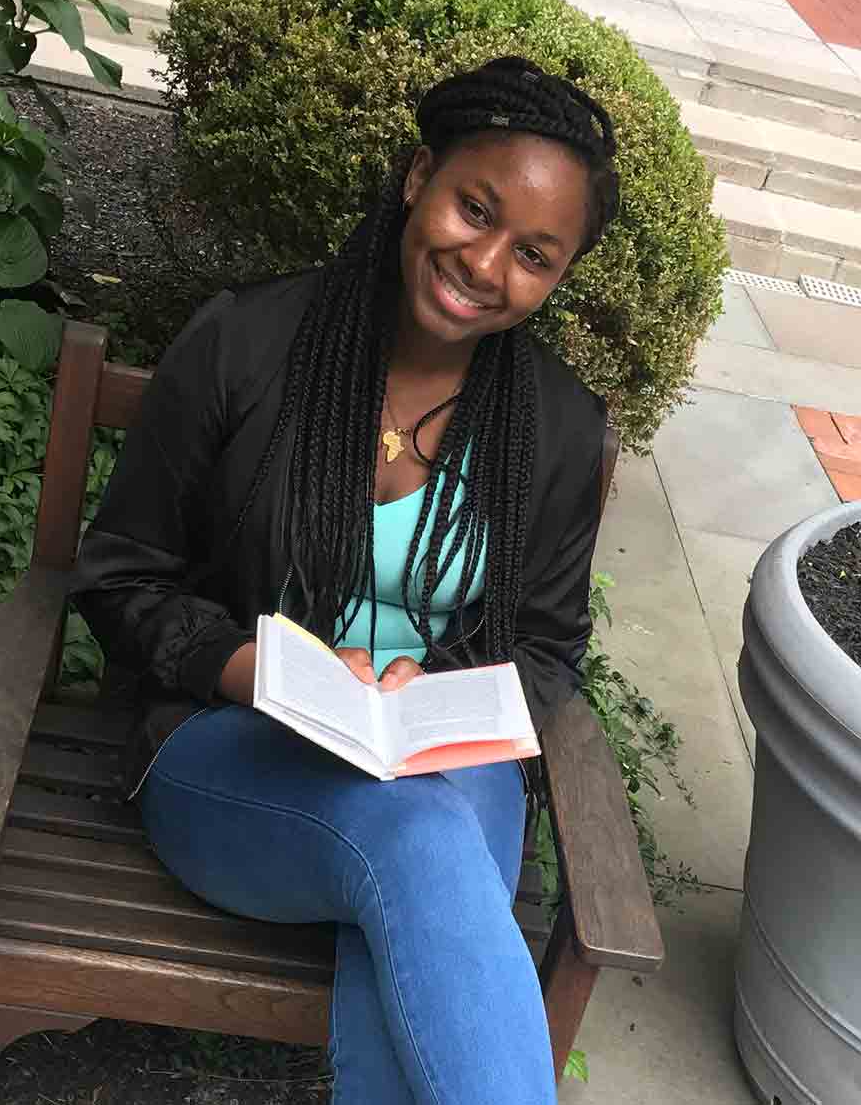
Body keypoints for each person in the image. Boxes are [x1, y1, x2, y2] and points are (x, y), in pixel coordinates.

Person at [72, 55, 621, 1105]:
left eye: (534, 254)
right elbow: (120, 574)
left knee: (422, 840)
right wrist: (254, 667)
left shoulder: (552, 427)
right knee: (420, 836)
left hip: (440, 759)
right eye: (476, 208)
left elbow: (545, 648)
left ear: (556, 279)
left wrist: (434, 688)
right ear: (419, 176)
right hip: (231, 752)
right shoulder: (248, 343)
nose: (486, 262)